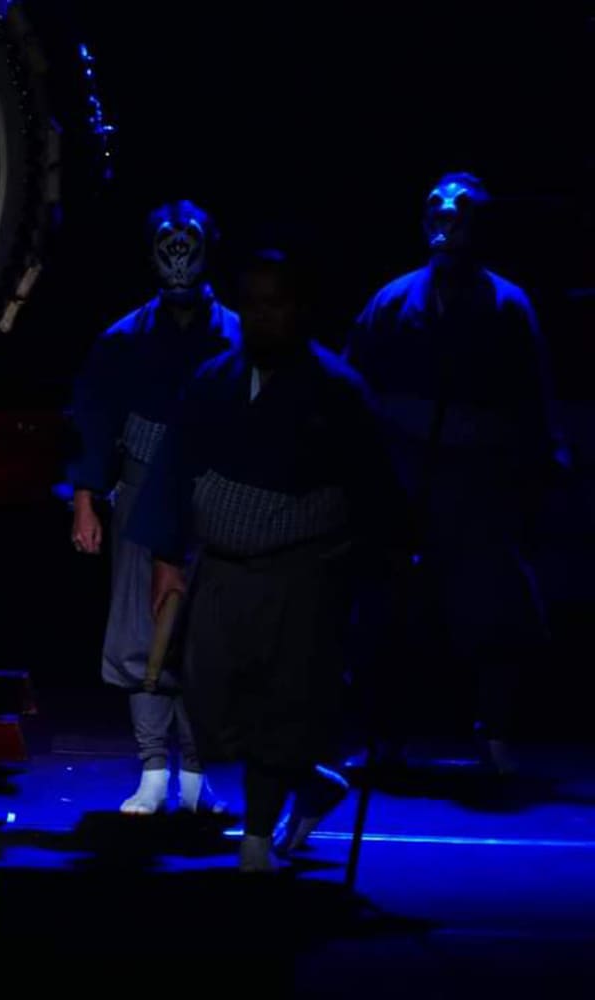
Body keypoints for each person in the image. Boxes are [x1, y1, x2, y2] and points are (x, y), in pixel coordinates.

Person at [130, 248, 401, 872]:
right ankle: (311, 780)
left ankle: (255, 839)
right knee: (210, 703)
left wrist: (385, 560)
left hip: (302, 572)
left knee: (284, 703)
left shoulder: (338, 389)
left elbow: (374, 488)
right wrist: (166, 556)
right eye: (251, 305)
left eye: (275, 305)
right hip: (223, 570)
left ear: (300, 309)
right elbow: (175, 467)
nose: (261, 318)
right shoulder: (214, 379)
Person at [347, 173, 564, 775]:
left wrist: (532, 466)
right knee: (388, 617)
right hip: (402, 489)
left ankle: (493, 733)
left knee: (495, 615)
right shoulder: (391, 302)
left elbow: (533, 403)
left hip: (479, 494)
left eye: (460, 208)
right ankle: (383, 737)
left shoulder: (508, 306)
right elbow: (351, 389)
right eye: (436, 207)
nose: (446, 214)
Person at [67, 201, 239, 814]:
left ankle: (194, 775)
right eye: (167, 244)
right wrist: (86, 500)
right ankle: (151, 769)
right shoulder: (123, 338)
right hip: (141, 492)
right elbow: (93, 421)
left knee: (203, 637)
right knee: (140, 633)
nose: (179, 256)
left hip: (215, 498)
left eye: (190, 242)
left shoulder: (236, 334)